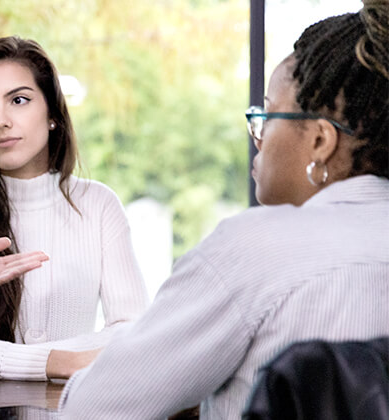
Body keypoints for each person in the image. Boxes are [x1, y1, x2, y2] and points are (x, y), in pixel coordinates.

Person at [59, 1, 389, 418]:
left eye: (268, 114)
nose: (259, 137)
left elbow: (93, 408)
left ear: (321, 141)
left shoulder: (258, 247)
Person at [0, 36, 150, 381]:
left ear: (52, 113)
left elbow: (133, 330)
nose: (0, 121)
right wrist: (58, 362)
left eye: (18, 100)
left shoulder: (98, 205)